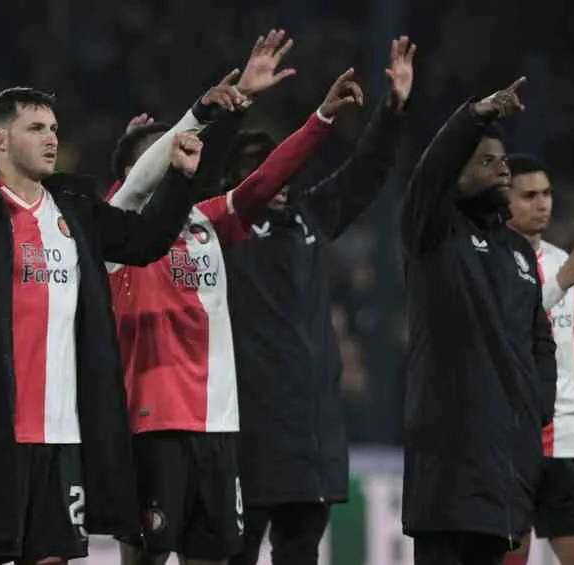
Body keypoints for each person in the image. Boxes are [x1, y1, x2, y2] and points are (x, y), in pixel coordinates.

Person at [0, 86, 205, 565]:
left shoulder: (73, 207)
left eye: (54, 128)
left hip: (62, 437)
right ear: (0, 137)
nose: (51, 138)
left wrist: (181, 180)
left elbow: (142, 242)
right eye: (36, 128)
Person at [103, 30, 359, 565]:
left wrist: (322, 121)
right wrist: (207, 110)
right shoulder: (118, 222)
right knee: (145, 558)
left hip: (220, 426)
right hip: (153, 422)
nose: (180, 155)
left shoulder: (205, 221)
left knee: (213, 556)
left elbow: (265, 181)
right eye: (164, 151)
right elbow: (148, 177)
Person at [225, 37, 415, 565]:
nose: (278, 177)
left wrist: (393, 109)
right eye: (260, 168)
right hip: (247, 431)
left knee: (301, 552)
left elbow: (366, 172)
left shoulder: (309, 217)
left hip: (312, 434)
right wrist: (238, 96)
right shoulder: (224, 229)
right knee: (233, 554)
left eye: (280, 166)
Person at [400, 76, 558, 565]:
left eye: (504, 161)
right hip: (447, 468)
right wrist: (476, 115)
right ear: (458, 173)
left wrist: (537, 408)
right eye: (487, 162)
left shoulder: (517, 251)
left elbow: (540, 340)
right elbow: (429, 173)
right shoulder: (435, 229)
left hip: (503, 470)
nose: (503, 171)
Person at [501, 154, 574, 565]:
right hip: (510, 443)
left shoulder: (563, 260)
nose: (541, 203)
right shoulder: (489, 261)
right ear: (504, 200)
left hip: (564, 441)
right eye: (528, 196)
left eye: (546, 194)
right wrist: (560, 285)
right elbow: (503, 333)